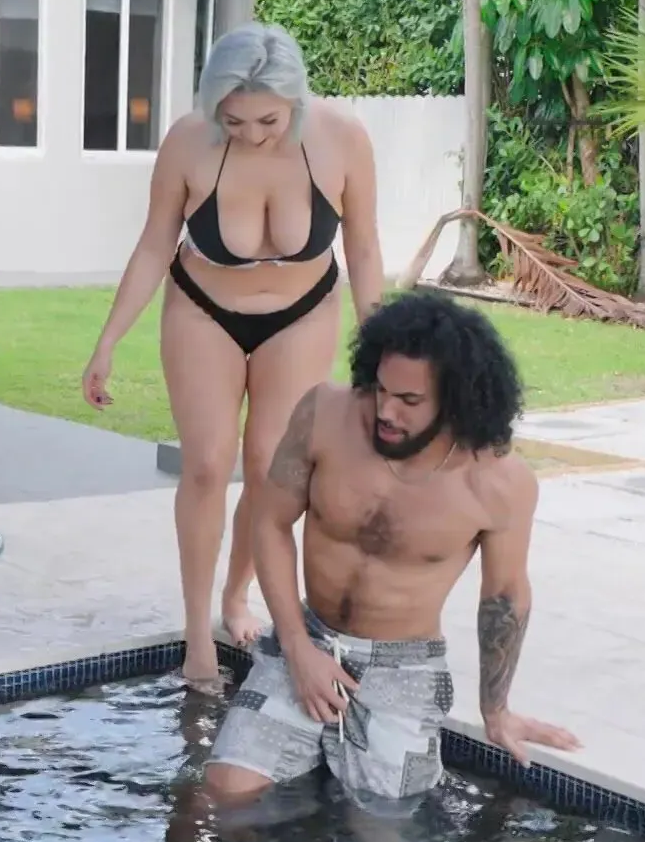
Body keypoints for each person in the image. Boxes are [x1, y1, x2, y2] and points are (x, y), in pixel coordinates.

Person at [82, 23, 388, 689]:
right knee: (206, 464)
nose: (250, 135)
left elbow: (363, 248)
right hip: (204, 309)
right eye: (234, 120)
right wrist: (108, 340)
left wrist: (381, 352)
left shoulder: (342, 139)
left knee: (270, 467)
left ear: (296, 101)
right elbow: (154, 243)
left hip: (302, 312)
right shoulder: (189, 143)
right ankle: (197, 631)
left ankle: (236, 595)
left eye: (268, 121)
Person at [200, 290, 582, 810]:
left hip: (404, 671)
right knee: (225, 795)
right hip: (307, 637)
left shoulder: (498, 482)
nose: (386, 410)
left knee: (385, 834)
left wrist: (496, 711)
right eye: (380, 389)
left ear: (456, 399)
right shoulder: (324, 413)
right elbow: (270, 522)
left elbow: (506, 596)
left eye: (409, 401)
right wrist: (297, 647)